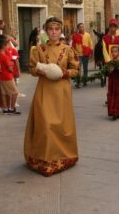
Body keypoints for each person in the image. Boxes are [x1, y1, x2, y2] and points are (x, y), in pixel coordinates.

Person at [24, 17, 79, 176]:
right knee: (45, 124)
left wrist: (63, 73)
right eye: (51, 29)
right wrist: (40, 70)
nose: (54, 32)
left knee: (62, 125)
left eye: (57, 29)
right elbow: (32, 69)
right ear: (46, 31)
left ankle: (63, 155)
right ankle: (44, 158)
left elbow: (76, 70)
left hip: (62, 91)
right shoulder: (39, 49)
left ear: (61, 31)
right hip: (45, 90)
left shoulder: (68, 50)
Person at [0, 35, 21, 115]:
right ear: (4, 46)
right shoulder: (5, 56)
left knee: (4, 93)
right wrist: (12, 67)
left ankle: (5, 108)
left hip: (1, 76)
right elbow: (10, 68)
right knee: (15, 92)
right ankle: (11, 108)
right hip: (7, 76)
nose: (9, 46)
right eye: (8, 44)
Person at [72, 23, 93, 87]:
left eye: (83, 27)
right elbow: (73, 45)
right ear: (78, 28)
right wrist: (75, 53)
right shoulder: (75, 35)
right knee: (78, 68)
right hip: (79, 55)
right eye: (80, 27)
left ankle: (85, 80)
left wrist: (91, 52)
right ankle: (78, 82)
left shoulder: (87, 35)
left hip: (86, 54)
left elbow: (90, 43)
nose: (82, 28)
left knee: (85, 68)